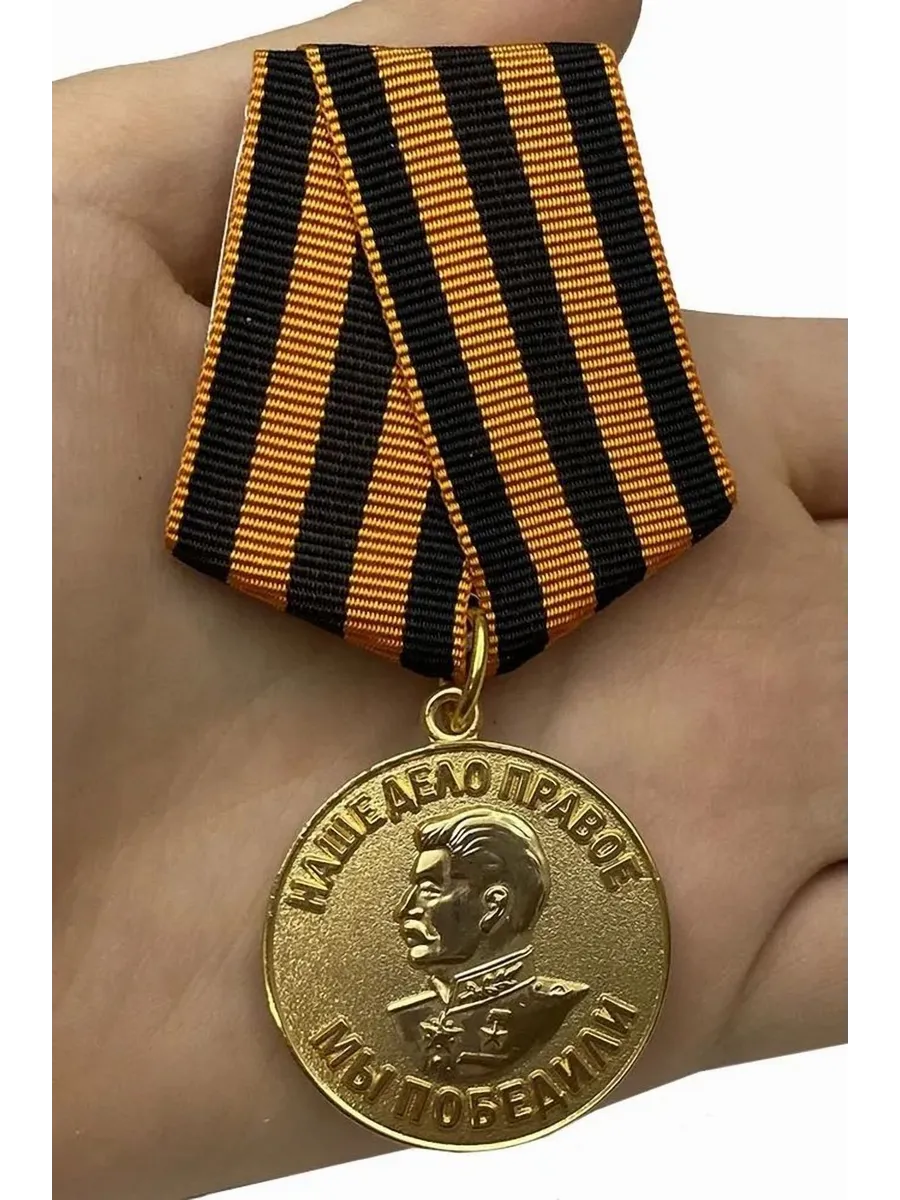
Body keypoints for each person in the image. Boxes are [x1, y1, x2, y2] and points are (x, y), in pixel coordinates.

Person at [50, 1, 847, 1198]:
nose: (415, 896)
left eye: (435, 881)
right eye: (422, 878)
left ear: (503, 900)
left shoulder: (546, 999)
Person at [390, 808, 588, 1077]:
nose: (403, 910)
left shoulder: (552, 1008)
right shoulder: (407, 1018)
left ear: (494, 906)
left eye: (428, 889)